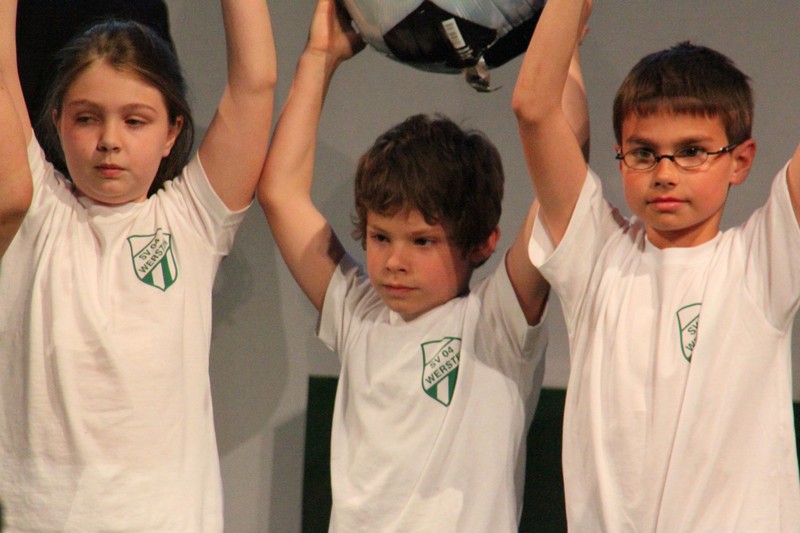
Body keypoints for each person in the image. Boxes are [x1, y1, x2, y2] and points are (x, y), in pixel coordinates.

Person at [258, 0, 588, 530]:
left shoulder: (496, 324)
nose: (394, 261)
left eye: (423, 242)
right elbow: (280, 194)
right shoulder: (358, 313)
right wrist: (319, 57)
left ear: (482, 243)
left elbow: (564, 174)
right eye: (380, 237)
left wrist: (562, 39)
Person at [513, 0, 800, 530]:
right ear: (621, 156)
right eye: (644, 153)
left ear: (740, 161)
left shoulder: (762, 261)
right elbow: (535, 109)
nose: (665, 173)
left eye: (692, 151)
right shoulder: (596, 259)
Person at [0, 0, 276, 529]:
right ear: (56, 121)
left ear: (171, 131)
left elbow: (256, 82)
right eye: (86, 118)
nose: (110, 140)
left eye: (135, 120)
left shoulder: (192, 222)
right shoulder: (33, 210)